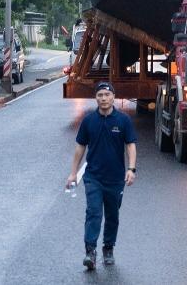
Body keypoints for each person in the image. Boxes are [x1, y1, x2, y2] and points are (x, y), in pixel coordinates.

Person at [67, 81, 137, 269]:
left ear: (113, 97)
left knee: (112, 216)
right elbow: (80, 147)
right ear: (95, 98)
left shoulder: (123, 121)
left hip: (115, 179)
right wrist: (73, 173)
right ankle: (90, 251)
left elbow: (130, 145)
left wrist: (131, 169)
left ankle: (108, 248)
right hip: (93, 177)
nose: (104, 98)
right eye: (100, 95)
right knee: (94, 212)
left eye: (107, 95)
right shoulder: (89, 121)